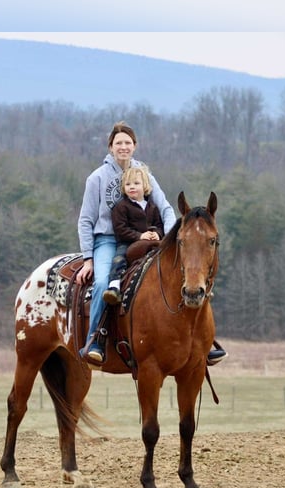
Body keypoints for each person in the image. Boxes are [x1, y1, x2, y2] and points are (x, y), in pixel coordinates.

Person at [76, 121, 226, 366]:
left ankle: (202, 342)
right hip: (108, 240)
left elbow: (166, 209)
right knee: (103, 282)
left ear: (134, 146)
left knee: (177, 275)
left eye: (127, 143)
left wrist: (168, 239)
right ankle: (95, 339)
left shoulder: (144, 174)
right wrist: (87, 258)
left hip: (145, 238)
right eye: (118, 143)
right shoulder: (97, 179)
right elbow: (85, 220)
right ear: (110, 147)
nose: (123, 147)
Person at [102, 164, 163, 305]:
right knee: (119, 258)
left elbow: (159, 225)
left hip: (151, 243)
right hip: (128, 242)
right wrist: (139, 236)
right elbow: (120, 229)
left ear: (145, 186)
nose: (132, 187)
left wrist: (157, 234)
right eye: (128, 184)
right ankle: (114, 286)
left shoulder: (152, 207)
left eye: (136, 183)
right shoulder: (121, 207)